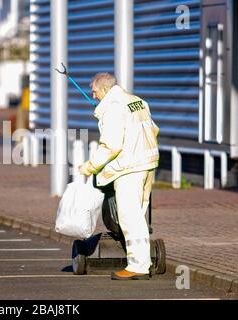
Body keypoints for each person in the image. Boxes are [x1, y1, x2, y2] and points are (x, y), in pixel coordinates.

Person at [78, 73, 160, 280]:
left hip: (129, 168)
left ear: (104, 89)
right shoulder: (137, 101)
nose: (93, 96)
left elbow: (112, 146)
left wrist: (90, 167)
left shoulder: (114, 108)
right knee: (138, 216)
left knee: (129, 217)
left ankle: (138, 266)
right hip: (147, 163)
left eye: (95, 92)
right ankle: (143, 261)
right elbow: (153, 129)